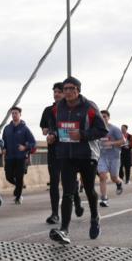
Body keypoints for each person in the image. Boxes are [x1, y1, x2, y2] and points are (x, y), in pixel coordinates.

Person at [45, 76, 107, 244]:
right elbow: (54, 126)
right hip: (66, 154)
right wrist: (53, 135)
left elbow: (102, 130)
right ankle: (64, 230)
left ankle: (94, 217)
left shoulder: (89, 107)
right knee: (68, 192)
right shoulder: (58, 108)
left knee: (89, 190)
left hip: (87, 154)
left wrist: (82, 135)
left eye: (71, 88)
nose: (67, 92)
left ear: (78, 90)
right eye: (65, 89)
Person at [40, 82, 83, 224]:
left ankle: (77, 201)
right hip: (54, 150)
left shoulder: (72, 109)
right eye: (55, 92)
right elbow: (44, 129)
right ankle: (54, 213)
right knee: (54, 181)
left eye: (59, 91)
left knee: (68, 181)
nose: (57, 94)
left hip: (69, 149)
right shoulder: (48, 110)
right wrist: (47, 132)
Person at [1, 106, 36, 204]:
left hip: (21, 157)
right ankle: (19, 185)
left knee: (19, 177)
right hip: (9, 157)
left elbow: (33, 142)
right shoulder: (7, 128)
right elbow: (3, 141)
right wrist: (3, 148)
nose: (14, 115)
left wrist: (25, 147)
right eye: (12, 113)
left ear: (20, 114)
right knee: (9, 177)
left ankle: (18, 197)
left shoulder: (25, 128)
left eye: (16, 113)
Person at [96, 109, 124, 207]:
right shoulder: (97, 129)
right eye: (101, 116)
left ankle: (119, 183)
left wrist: (111, 143)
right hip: (102, 156)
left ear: (108, 118)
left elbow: (123, 141)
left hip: (114, 157)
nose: (103, 118)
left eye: (105, 116)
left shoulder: (114, 129)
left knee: (114, 177)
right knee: (102, 176)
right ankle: (104, 198)